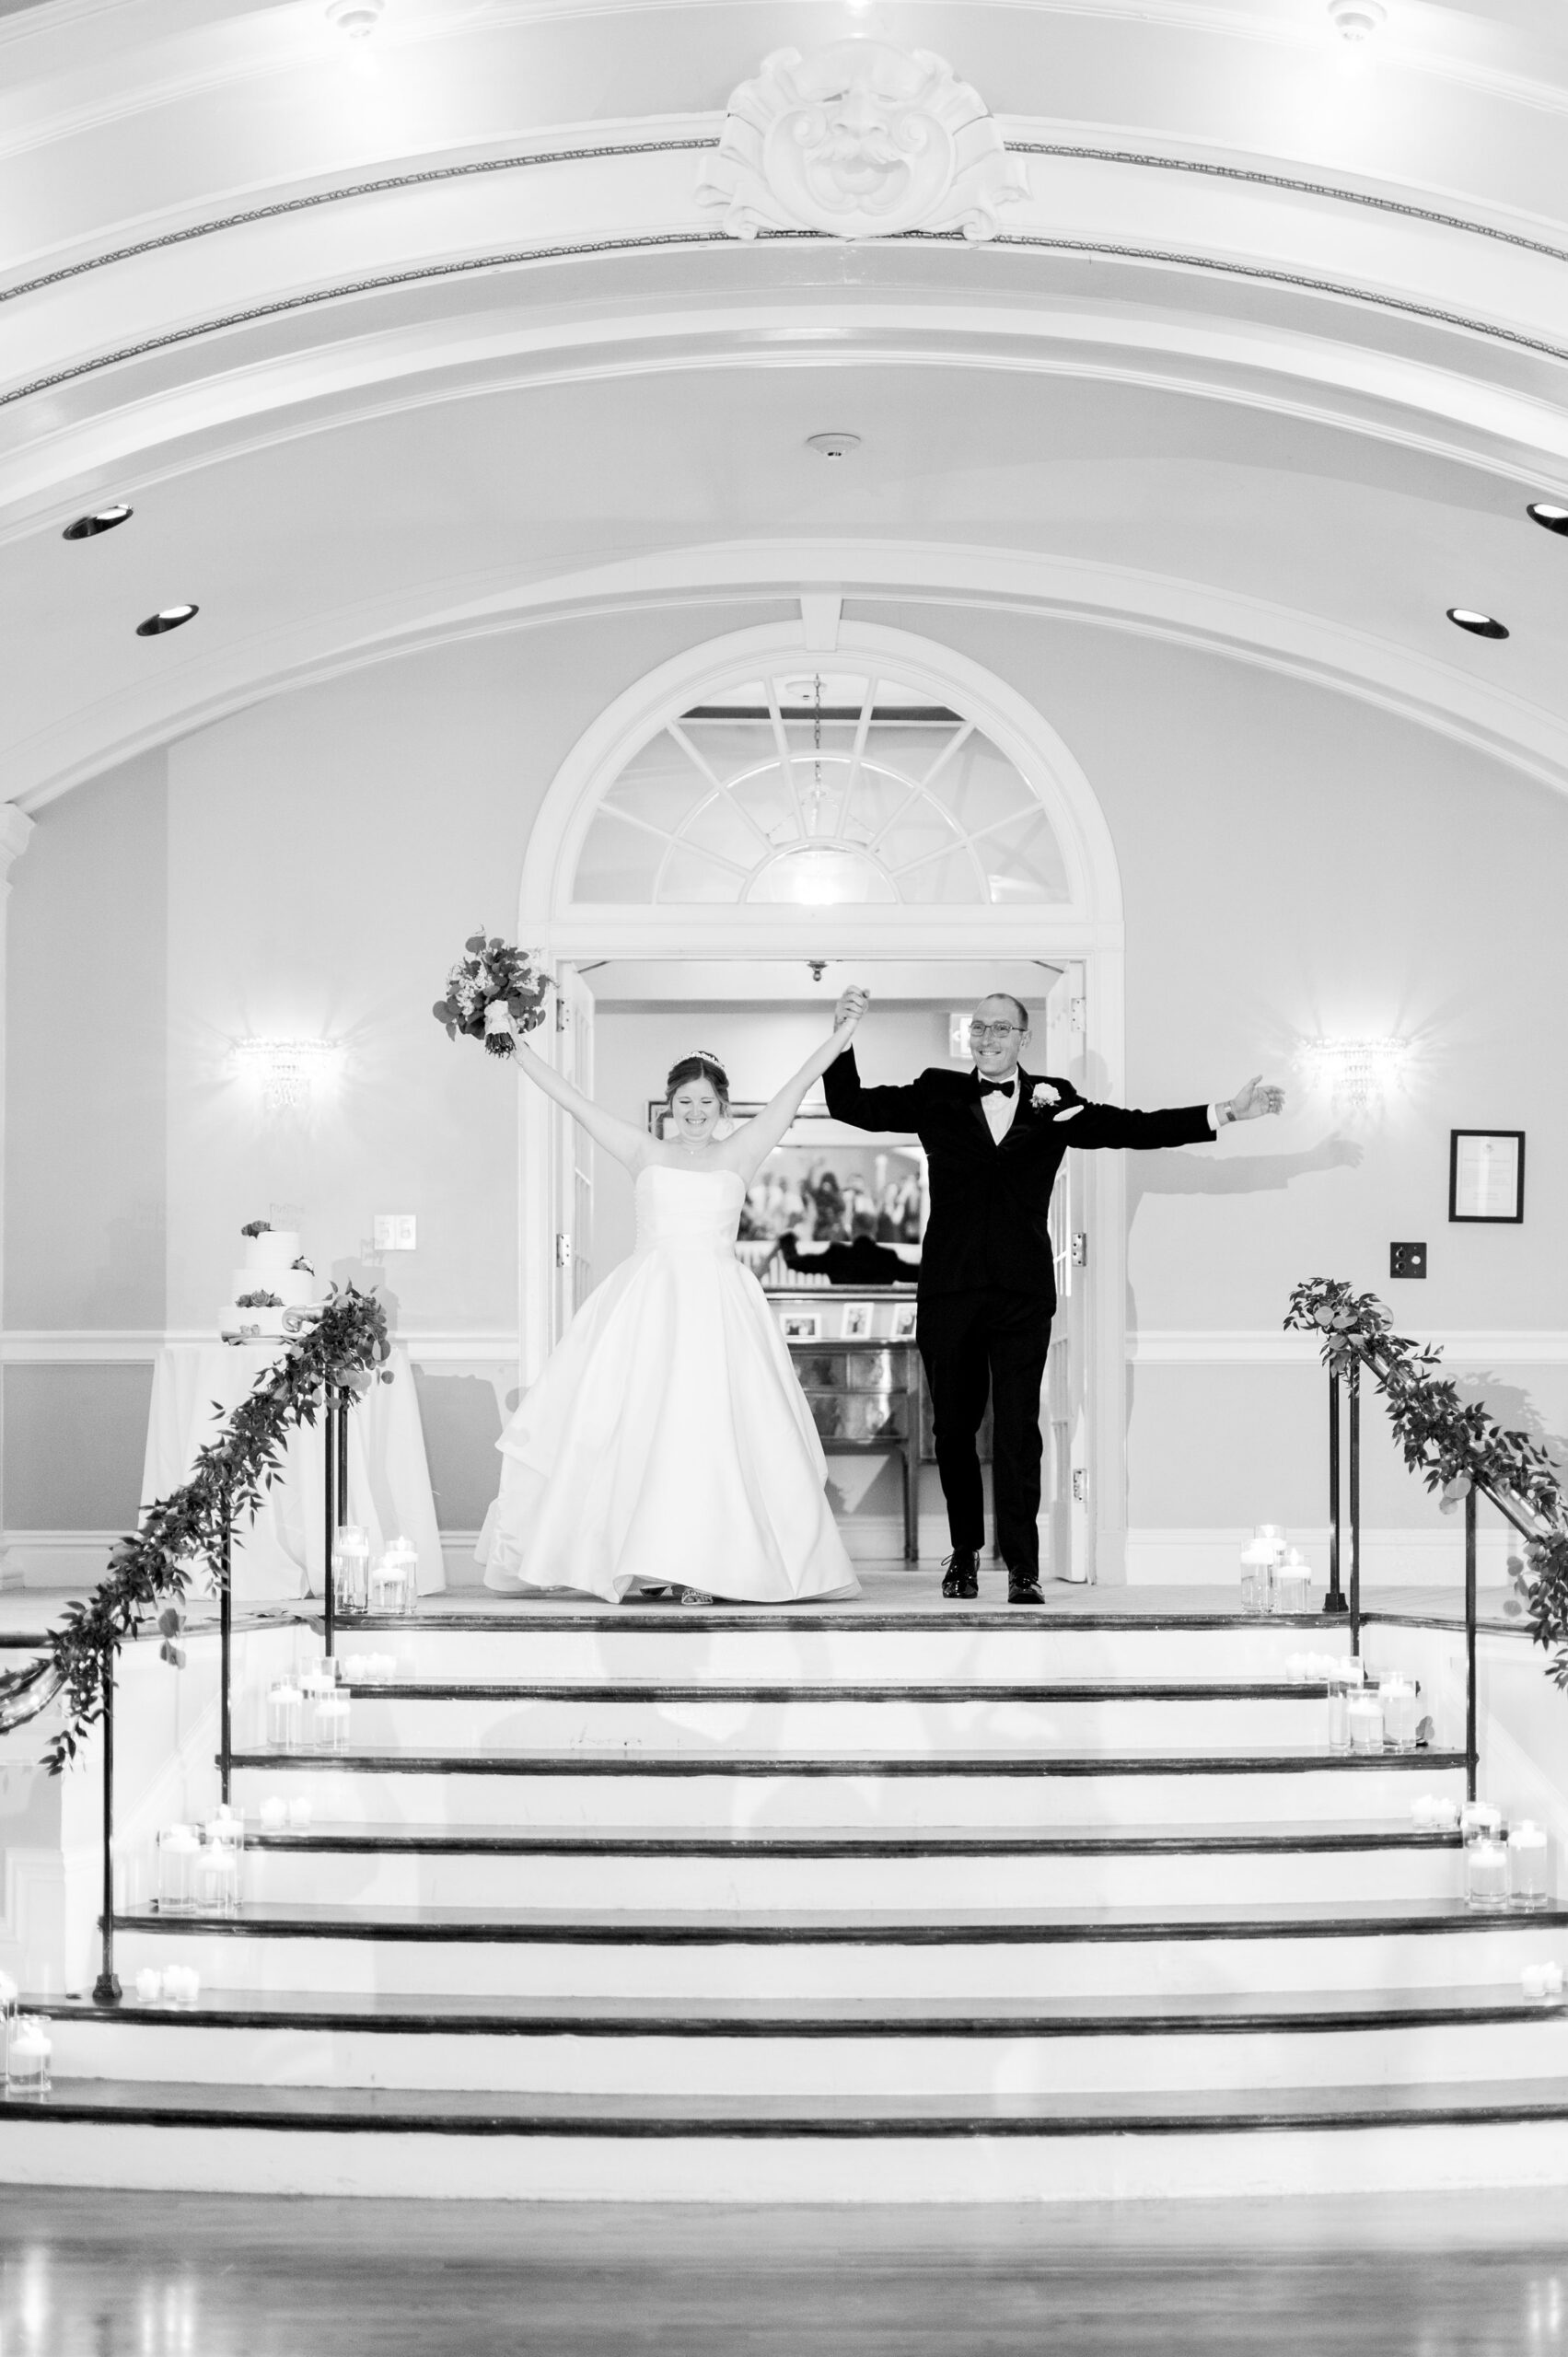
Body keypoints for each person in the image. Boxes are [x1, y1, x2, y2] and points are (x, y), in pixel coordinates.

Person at [824, 988, 1284, 1604]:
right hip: (948, 1290)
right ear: (970, 1039)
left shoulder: (1053, 1099)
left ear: (1023, 1039)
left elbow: (1131, 1128)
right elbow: (849, 1104)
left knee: (1018, 1432)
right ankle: (962, 1556)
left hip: (1022, 1292)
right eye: (979, 1029)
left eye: (1001, 1029)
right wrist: (841, 1036)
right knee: (954, 1432)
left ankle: (1022, 1566)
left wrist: (1226, 1111)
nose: (987, 1039)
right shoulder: (936, 1091)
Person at [474, 1015, 865, 1607]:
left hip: (719, 1310)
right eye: (685, 1100)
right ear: (670, 1104)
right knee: (640, 1435)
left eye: (706, 1101)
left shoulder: (743, 1150)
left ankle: (707, 1566)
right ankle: (645, 1562)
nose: (695, 1111)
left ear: (722, 1104)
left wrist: (843, 1034)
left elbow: (798, 1085)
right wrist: (515, 1043)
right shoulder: (643, 1150)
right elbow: (573, 1101)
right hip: (648, 1306)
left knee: (711, 1435)